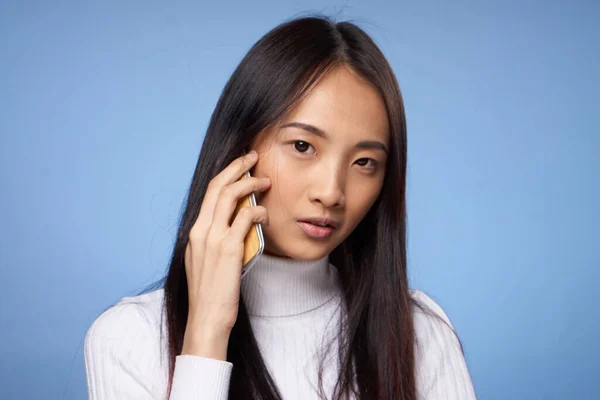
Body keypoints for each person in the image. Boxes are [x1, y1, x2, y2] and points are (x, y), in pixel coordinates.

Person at [83, 15, 477, 400]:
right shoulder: (130, 338)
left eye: (364, 163)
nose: (331, 192)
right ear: (239, 148)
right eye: (302, 146)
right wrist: (207, 331)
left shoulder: (419, 332)